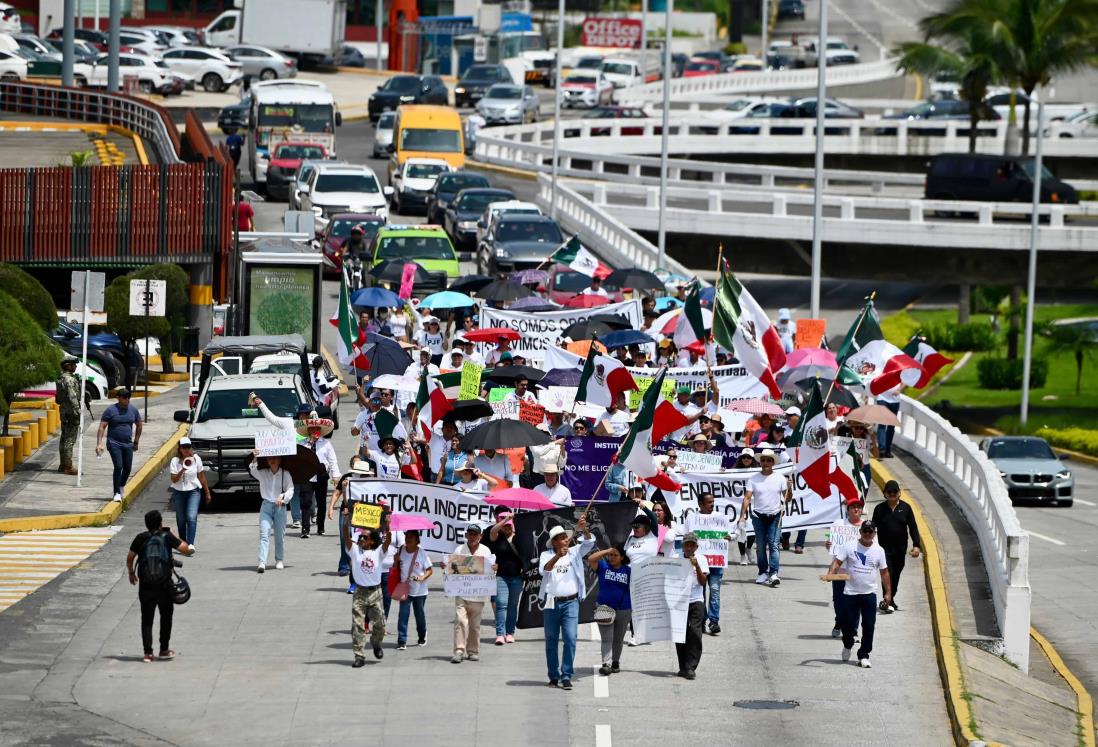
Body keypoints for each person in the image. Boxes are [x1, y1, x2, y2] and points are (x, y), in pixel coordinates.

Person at [127, 510, 193, 663]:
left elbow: (130, 557)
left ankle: (148, 653)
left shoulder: (140, 538)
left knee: (147, 619)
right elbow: (186, 549)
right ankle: (164, 650)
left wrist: (131, 573)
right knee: (166, 616)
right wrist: (175, 535)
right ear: (160, 523)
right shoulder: (167, 536)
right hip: (164, 585)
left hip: (146, 586)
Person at [539, 518, 594, 690]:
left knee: (570, 638)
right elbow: (544, 570)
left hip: (571, 602)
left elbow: (590, 542)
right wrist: (557, 556)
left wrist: (584, 529)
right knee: (551, 640)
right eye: (561, 537)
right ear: (554, 542)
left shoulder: (575, 551)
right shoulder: (546, 555)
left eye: (565, 536)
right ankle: (553, 676)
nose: (564, 539)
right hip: (551, 601)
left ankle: (567, 675)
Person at [827, 520, 891, 668]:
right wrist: (831, 572)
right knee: (847, 624)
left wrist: (888, 593)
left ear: (875, 533)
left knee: (869, 625)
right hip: (850, 593)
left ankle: (863, 654)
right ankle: (848, 644)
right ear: (860, 532)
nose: (868, 534)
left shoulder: (879, 551)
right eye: (865, 531)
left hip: (869, 593)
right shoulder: (849, 546)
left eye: (871, 531)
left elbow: (884, 572)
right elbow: (837, 561)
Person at [738, 449, 792, 587]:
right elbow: (747, 498)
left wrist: (789, 488)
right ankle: (763, 572)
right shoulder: (753, 478)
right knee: (761, 546)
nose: (766, 463)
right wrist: (742, 516)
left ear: (773, 462)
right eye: (763, 460)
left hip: (775, 515)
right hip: (758, 516)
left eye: (769, 460)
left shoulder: (780, 478)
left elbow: (788, 498)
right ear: (760, 462)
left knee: (774, 545)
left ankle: (773, 573)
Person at [870, 480, 922, 612]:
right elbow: (872, 529)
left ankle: (890, 598)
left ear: (899, 493)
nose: (892, 494)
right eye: (889, 492)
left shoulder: (906, 508)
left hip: (900, 550)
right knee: (887, 574)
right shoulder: (879, 509)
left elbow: (913, 527)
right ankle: (887, 601)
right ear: (884, 494)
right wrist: (869, 545)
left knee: (896, 575)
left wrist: (916, 545)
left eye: (895, 492)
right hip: (884, 550)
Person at [685, 492, 731, 634]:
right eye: (709, 502)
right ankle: (702, 619)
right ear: (700, 504)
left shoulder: (719, 518)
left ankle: (714, 621)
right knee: (701, 592)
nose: (712, 505)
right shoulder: (692, 519)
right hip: (699, 563)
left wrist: (729, 537)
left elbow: (731, 534)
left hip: (716, 562)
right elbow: (687, 538)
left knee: (715, 591)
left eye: (713, 502)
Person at [450, 524, 496, 664]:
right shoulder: (459, 549)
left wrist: (494, 568)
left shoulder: (485, 551)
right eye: (470, 534)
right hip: (462, 593)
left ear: (480, 536)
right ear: (466, 535)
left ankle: (473, 651)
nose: (472, 537)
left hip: (478, 594)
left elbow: (490, 571)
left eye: (475, 534)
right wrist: (447, 566)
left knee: (475, 625)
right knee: (460, 621)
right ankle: (459, 650)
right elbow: (453, 570)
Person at [343, 525, 387, 666]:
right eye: (360, 537)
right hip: (360, 592)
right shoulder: (355, 551)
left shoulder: (378, 552)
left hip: (375, 592)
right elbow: (346, 537)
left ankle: (376, 643)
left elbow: (388, 541)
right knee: (357, 625)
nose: (361, 539)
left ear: (372, 541)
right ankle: (359, 656)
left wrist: (389, 526)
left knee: (380, 624)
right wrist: (346, 521)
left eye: (365, 537)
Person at [587, 544, 631, 676]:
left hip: (624, 609)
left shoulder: (628, 571)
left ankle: (615, 662)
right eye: (610, 555)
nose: (611, 557)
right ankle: (606, 663)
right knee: (607, 638)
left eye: (615, 555)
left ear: (622, 557)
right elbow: (591, 559)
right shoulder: (603, 567)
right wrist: (607, 550)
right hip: (604, 608)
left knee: (618, 638)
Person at [826, 497, 866, 637]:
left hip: (858, 571)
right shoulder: (838, 524)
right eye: (853, 507)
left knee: (856, 602)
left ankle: (853, 630)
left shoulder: (867, 527)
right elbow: (833, 546)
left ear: (861, 510)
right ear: (847, 510)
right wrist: (828, 545)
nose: (856, 509)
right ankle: (839, 621)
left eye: (858, 507)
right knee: (839, 601)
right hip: (840, 570)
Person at [248, 450, 294, 573]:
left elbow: (291, 489)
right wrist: (255, 457)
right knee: (264, 534)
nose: (272, 460)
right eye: (270, 458)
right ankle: (262, 562)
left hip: (280, 507)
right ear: (267, 460)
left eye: (275, 458)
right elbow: (252, 470)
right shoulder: (263, 473)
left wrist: (283, 497)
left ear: (280, 460)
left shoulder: (286, 474)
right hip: (266, 506)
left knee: (279, 535)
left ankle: (279, 559)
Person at [297, 415, 340, 538]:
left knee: (321, 503)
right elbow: (299, 459)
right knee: (306, 502)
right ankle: (305, 529)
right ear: (308, 431)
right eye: (311, 429)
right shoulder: (302, 444)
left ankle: (320, 526)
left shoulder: (326, 444)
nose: (314, 431)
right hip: (307, 476)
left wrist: (336, 476)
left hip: (321, 475)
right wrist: (310, 443)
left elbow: (333, 461)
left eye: (317, 429)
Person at [96, 389, 142, 502]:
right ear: (118, 398)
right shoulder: (111, 410)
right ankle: (116, 492)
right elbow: (102, 426)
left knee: (127, 468)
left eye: (128, 398)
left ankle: (121, 485)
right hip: (114, 442)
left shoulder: (133, 410)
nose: (126, 400)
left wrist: (136, 442)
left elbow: (139, 425)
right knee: (118, 466)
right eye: (124, 398)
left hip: (128, 444)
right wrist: (99, 443)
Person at [487, 507, 523, 645]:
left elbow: (526, 553)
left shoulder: (519, 537)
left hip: (517, 577)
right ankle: (500, 634)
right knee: (501, 605)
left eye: (509, 525)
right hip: (501, 576)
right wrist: (505, 520)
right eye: (504, 525)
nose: (507, 527)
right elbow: (492, 531)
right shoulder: (497, 537)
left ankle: (510, 633)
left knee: (513, 606)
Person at [676, 532, 709, 680]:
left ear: (696, 546)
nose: (689, 548)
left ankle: (691, 667)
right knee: (680, 634)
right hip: (679, 601)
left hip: (696, 600)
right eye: (686, 545)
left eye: (692, 545)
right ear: (682, 546)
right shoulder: (676, 559)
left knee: (695, 633)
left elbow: (703, 582)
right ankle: (683, 666)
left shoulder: (701, 559)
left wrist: (697, 567)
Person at [169, 438, 211, 549]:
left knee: (191, 517)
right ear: (180, 448)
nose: (187, 449)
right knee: (181, 519)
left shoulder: (196, 459)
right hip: (179, 492)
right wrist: (182, 469)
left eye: (188, 447)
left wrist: (207, 493)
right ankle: (183, 543)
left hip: (193, 491)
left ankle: (191, 544)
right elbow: (173, 479)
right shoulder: (175, 461)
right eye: (184, 447)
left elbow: (201, 477)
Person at [394, 529, 433, 650]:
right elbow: (395, 567)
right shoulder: (401, 550)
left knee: (419, 615)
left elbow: (430, 570)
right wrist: (395, 560)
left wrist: (421, 578)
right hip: (405, 589)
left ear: (417, 540)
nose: (408, 539)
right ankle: (402, 640)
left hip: (420, 591)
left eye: (411, 537)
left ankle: (422, 635)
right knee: (403, 615)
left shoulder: (422, 553)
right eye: (407, 536)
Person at [55, 354, 82, 475]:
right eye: (73, 364)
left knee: (64, 438)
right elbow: (72, 396)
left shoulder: (61, 378)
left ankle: (62, 464)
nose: (75, 366)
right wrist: (77, 410)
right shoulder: (70, 379)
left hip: (64, 411)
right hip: (71, 411)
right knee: (70, 439)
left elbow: (58, 399)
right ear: (68, 366)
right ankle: (68, 466)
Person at [876, 385, 902, 458]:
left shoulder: (899, 373)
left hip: (895, 400)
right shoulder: (881, 372)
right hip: (882, 398)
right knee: (882, 423)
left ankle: (887, 450)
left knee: (891, 425)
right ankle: (881, 449)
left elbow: (905, 380)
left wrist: (899, 389)